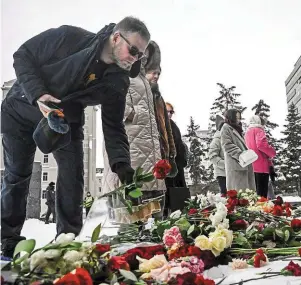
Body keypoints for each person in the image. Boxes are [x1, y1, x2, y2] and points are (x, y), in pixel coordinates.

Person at [1, 17, 150, 257]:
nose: (134, 58)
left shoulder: (117, 81)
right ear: (115, 37)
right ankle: (8, 240)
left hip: (63, 120)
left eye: (140, 55)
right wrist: (38, 94)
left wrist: (121, 164)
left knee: (73, 175)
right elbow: (23, 55)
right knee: (17, 175)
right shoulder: (69, 38)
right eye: (132, 50)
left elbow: (113, 126)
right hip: (21, 107)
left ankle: (67, 241)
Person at [102, 41, 168, 219]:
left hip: (148, 161)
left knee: (150, 226)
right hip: (130, 158)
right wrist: (135, 114)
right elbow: (112, 110)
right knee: (128, 224)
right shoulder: (121, 75)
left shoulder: (142, 81)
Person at [221, 109, 256, 191]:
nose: (238, 120)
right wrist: (241, 155)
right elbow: (227, 145)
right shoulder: (226, 128)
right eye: (237, 118)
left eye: (239, 118)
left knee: (246, 194)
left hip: (243, 164)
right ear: (231, 117)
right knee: (239, 194)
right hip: (236, 165)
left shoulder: (237, 129)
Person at [244, 115, 276, 198]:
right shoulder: (259, 130)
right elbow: (261, 145)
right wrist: (272, 152)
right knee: (262, 194)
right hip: (261, 166)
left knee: (255, 194)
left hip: (251, 165)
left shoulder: (247, 132)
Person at [165, 102, 187, 188]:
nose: (169, 114)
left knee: (179, 193)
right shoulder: (160, 125)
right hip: (166, 164)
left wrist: (182, 159)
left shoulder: (173, 125)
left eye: (171, 112)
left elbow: (179, 143)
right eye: (167, 111)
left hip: (177, 164)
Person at [209, 117, 226, 195]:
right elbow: (212, 156)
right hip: (222, 173)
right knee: (225, 194)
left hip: (230, 172)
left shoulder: (227, 139)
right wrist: (226, 164)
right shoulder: (217, 140)